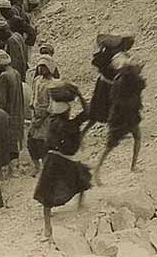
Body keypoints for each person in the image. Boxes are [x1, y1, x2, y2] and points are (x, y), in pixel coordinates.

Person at [33, 93, 92, 240]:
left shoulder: (52, 124)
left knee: (47, 192)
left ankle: (47, 226)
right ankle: (80, 204)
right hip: (66, 160)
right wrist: (79, 95)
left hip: (52, 159)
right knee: (81, 177)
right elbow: (87, 112)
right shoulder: (71, 125)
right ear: (67, 113)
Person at [93, 53, 144, 186]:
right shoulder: (124, 81)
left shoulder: (124, 79)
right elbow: (121, 100)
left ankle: (133, 166)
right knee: (110, 145)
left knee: (136, 137)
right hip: (121, 117)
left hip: (126, 116)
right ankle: (97, 171)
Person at [84, 34, 136, 134]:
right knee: (112, 107)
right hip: (109, 86)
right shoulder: (119, 55)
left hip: (103, 84)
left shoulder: (109, 52)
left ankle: (84, 132)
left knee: (99, 110)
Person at [0, 49, 24, 177]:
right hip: (17, 111)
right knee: (13, 140)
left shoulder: (4, 77)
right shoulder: (16, 73)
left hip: (7, 113)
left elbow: (2, 100)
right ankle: (14, 168)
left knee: (3, 141)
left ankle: (4, 171)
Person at [27, 54, 56, 175]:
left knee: (43, 143)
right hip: (35, 114)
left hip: (46, 118)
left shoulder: (53, 84)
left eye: (43, 67)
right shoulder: (36, 80)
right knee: (31, 141)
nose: (40, 69)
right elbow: (33, 96)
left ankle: (45, 167)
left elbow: (51, 105)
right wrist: (33, 113)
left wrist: (41, 118)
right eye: (39, 67)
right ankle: (36, 165)